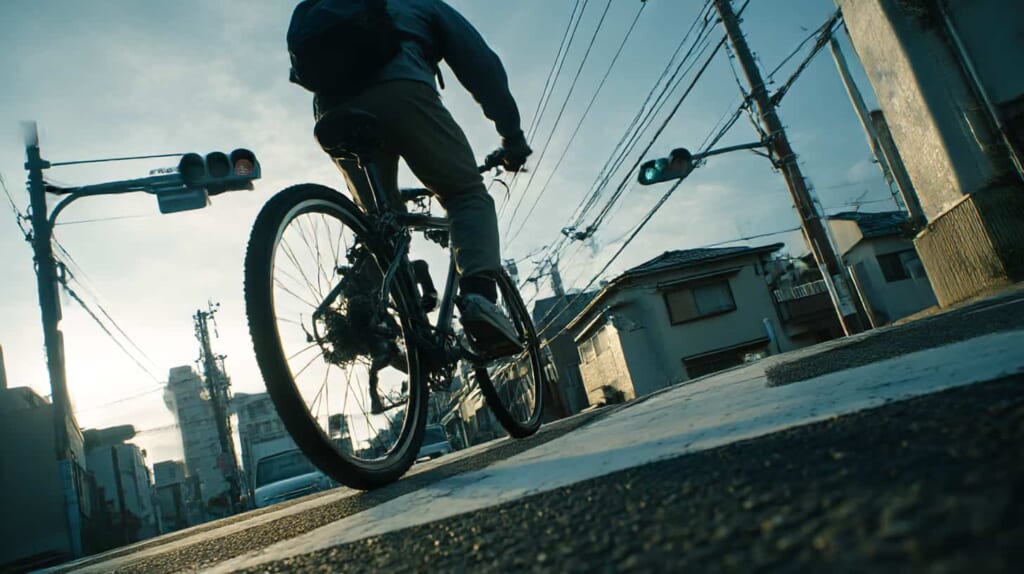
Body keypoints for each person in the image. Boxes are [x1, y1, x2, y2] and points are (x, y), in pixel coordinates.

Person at [305, 0, 531, 355]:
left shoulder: (328, 6)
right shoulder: (419, 3)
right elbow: (481, 67)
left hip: (332, 115)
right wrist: (512, 138)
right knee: (465, 195)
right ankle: (479, 301)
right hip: (402, 90)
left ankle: (364, 312)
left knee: (379, 228)